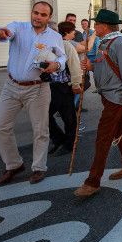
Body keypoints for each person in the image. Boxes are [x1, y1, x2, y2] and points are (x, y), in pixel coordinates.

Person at [0, 1, 67, 185]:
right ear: (31, 12)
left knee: (40, 130)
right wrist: (1, 33)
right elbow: (2, 34)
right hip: (11, 86)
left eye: (43, 15)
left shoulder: (54, 36)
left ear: (49, 18)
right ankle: (14, 164)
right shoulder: (18, 27)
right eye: (36, 13)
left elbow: (62, 56)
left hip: (38, 89)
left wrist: (56, 64)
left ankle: (39, 167)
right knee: (0, 126)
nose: (38, 17)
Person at [74, 9, 122, 197]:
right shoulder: (106, 43)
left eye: (96, 24)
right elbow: (108, 65)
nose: (94, 27)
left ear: (104, 26)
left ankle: (92, 181)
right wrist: (92, 66)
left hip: (117, 98)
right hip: (110, 96)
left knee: (103, 137)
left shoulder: (120, 43)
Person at [48, 21, 83, 157]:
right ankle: (59, 139)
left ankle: (69, 143)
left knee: (68, 117)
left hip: (63, 86)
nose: (75, 33)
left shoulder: (66, 45)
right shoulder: (50, 45)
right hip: (52, 86)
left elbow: (74, 65)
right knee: (45, 115)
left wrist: (76, 84)